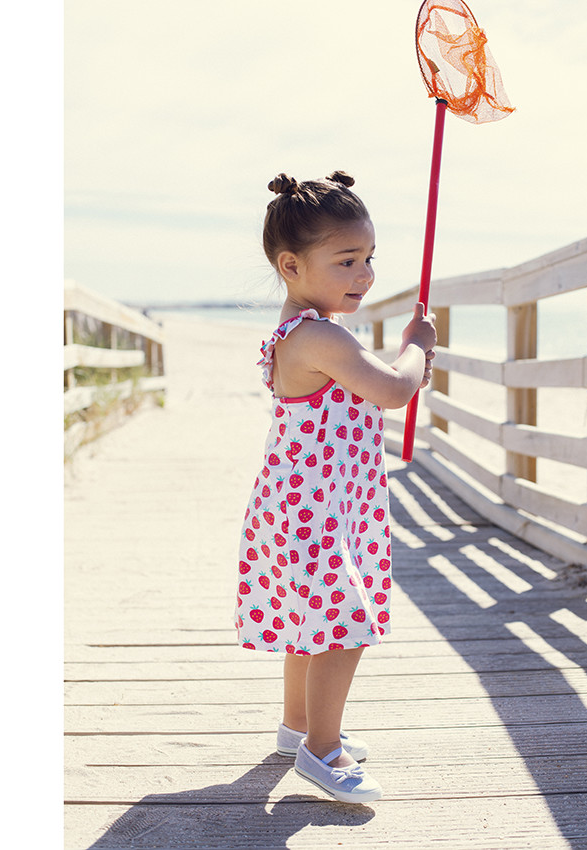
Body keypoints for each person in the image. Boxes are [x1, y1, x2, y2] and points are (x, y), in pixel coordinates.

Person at [235, 170, 436, 804]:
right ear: (291, 265)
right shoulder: (318, 335)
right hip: (312, 508)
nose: (365, 274)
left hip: (312, 502)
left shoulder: (311, 329)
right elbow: (394, 389)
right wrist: (417, 348)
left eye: (369, 258)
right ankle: (322, 750)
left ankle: (298, 727)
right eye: (346, 260)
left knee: (311, 620)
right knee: (342, 621)